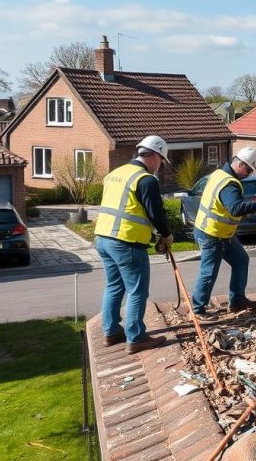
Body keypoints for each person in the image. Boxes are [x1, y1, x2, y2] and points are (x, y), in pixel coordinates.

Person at [95, 135, 175, 353]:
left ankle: (111, 331)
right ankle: (136, 337)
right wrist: (166, 235)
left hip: (103, 238)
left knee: (114, 286)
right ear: (155, 156)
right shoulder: (146, 180)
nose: (159, 166)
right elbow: (156, 212)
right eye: (161, 161)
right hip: (127, 241)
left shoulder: (116, 173)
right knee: (137, 290)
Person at [191, 146, 256, 316]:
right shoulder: (229, 184)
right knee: (208, 272)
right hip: (212, 233)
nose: (248, 174)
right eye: (248, 170)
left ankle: (237, 301)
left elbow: (228, 205)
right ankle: (198, 310)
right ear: (240, 164)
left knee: (241, 261)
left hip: (222, 233)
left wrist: (252, 203)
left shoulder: (220, 174)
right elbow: (235, 208)